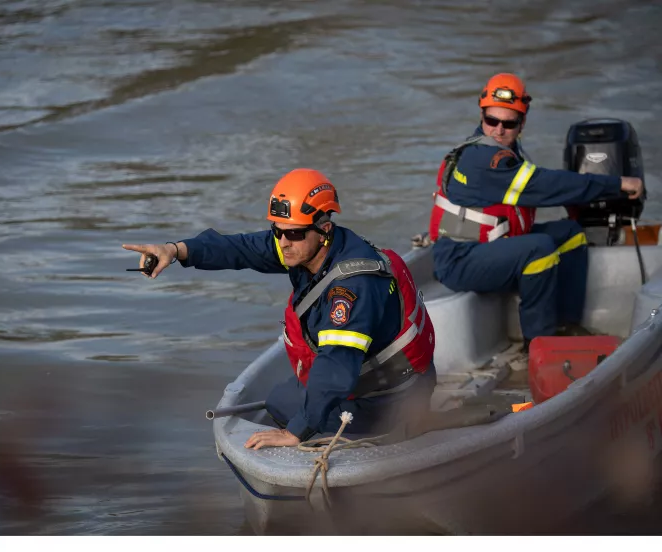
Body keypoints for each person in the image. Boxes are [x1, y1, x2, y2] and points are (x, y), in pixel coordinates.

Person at [124, 168, 436, 450]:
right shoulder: (309, 247)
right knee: (287, 396)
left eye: (293, 233)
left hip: (392, 401)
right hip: (377, 384)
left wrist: (296, 431)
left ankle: (381, 435)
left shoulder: (352, 287)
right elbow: (241, 249)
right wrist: (176, 250)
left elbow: (336, 369)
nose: (283, 242)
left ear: (324, 228)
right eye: (278, 230)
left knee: (281, 402)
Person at [428, 73, 644, 348]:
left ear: (522, 122)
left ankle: (566, 324)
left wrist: (575, 199)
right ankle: (541, 344)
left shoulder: (504, 150)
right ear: (482, 116)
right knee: (538, 247)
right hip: (459, 260)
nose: (498, 130)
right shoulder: (484, 159)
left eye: (509, 123)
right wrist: (618, 184)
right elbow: (545, 185)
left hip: (487, 247)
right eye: (491, 121)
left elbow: (545, 185)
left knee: (570, 232)